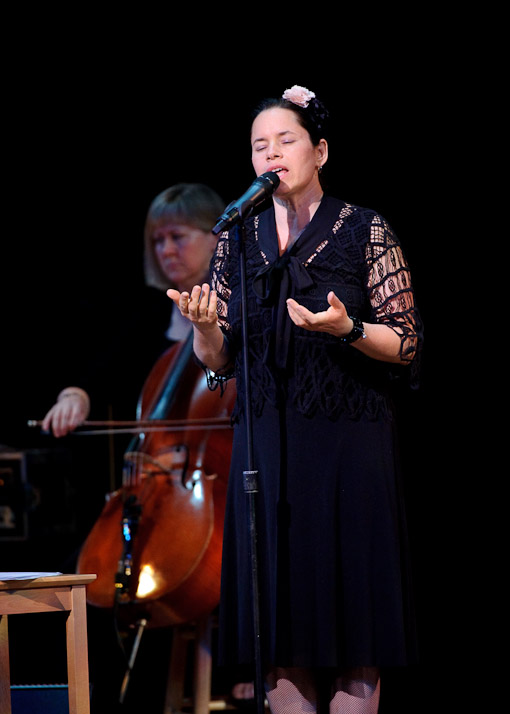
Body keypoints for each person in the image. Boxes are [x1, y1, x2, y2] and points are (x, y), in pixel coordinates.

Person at [167, 85, 423, 713]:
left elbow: (408, 342)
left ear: (321, 151)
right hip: (268, 459)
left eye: (286, 141)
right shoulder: (235, 239)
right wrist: (204, 326)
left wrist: (350, 330)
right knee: (279, 642)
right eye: (259, 146)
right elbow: (218, 359)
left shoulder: (365, 228)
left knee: (354, 641)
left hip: (348, 454)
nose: (271, 155)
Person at [42, 182, 223, 438]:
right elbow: (107, 369)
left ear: (215, 238)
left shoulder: (238, 305)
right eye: (158, 240)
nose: (166, 250)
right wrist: (76, 395)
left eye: (177, 237)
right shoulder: (150, 315)